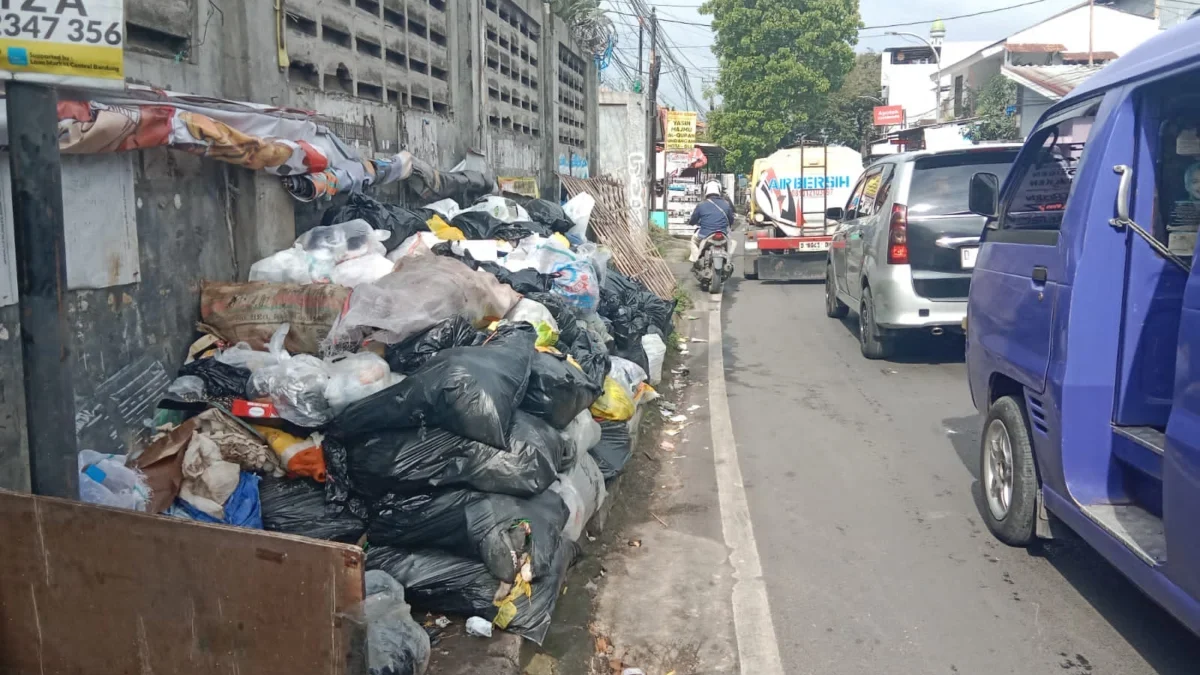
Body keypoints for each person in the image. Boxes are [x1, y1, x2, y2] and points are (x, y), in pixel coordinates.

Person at [689, 181, 734, 262]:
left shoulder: (701, 205)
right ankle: (728, 260)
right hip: (723, 235)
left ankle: (696, 261)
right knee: (732, 242)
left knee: (693, 241)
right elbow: (731, 220)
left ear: (705, 190)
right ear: (719, 190)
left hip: (705, 235)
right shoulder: (726, 204)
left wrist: (691, 222)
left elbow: (693, 220)